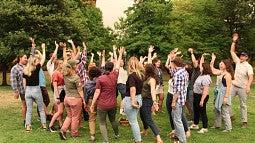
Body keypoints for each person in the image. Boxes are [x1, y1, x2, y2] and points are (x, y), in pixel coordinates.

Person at [90, 47, 124, 143]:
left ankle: (106, 141)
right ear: (112, 68)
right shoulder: (115, 75)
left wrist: (92, 104)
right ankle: (117, 134)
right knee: (113, 120)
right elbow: (117, 65)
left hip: (102, 104)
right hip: (113, 104)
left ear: (105, 68)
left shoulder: (100, 78)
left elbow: (97, 92)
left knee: (101, 122)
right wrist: (120, 53)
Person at [229, 33, 254, 128]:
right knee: (227, 101)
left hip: (243, 88)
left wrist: (248, 86)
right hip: (234, 86)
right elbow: (232, 51)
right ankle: (231, 116)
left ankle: (244, 122)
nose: (241, 57)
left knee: (243, 105)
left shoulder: (248, 66)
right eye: (241, 55)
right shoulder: (238, 62)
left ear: (247, 58)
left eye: (243, 56)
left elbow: (251, 76)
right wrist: (234, 41)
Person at [139, 46, 163, 143]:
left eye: (145, 68)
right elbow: (148, 63)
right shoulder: (145, 76)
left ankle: (158, 137)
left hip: (147, 101)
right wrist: (149, 53)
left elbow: (153, 91)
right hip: (142, 99)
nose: (143, 68)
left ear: (147, 70)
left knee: (148, 119)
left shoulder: (152, 80)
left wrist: (154, 102)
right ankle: (145, 130)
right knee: (142, 116)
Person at [59, 59, 86, 140]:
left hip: (67, 99)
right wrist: (84, 100)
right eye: (76, 65)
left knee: (69, 115)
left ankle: (63, 130)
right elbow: (80, 90)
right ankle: (74, 133)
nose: (77, 66)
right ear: (73, 66)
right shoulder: (76, 77)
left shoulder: (64, 74)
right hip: (75, 99)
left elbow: (65, 65)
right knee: (75, 117)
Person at [23, 43, 46, 131]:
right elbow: (43, 58)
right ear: (34, 62)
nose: (38, 62)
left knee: (29, 110)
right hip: (36, 89)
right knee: (41, 108)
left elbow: (24, 83)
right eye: (36, 61)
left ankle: (28, 126)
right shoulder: (37, 68)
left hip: (28, 90)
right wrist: (41, 50)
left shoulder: (25, 70)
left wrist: (25, 92)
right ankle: (44, 125)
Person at [210, 53, 234, 132]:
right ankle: (217, 125)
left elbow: (228, 87)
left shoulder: (228, 75)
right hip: (219, 93)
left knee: (224, 111)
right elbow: (213, 71)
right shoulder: (221, 72)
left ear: (226, 65)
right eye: (220, 64)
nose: (220, 65)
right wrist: (213, 60)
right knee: (216, 109)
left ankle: (228, 128)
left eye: (222, 64)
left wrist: (226, 98)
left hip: (224, 94)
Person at [189, 54, 212, 134]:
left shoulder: (206, 77)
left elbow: (205, 91)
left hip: (201, 96)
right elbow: (201, 62)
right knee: (196, 110)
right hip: (196, 95)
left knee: (202, 112)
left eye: (201, 67)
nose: (200, 67)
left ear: (204, 68)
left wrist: (202, 100)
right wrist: (202, 56)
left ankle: (205, 128)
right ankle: (195, 124)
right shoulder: (201, 75)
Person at [124, 56, 144, 143]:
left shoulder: (132, 76)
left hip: (132, 98)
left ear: (130, 65)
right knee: (134, 120)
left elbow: (133, 89)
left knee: (133, 122)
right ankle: (138, 139)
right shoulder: (140, 75)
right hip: (139, 98)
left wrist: (132, 102)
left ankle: (138, 140)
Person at [170, 56, 189, 143]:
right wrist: (171, 58)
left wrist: (173, 102)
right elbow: (172, 70)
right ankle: (177, 134)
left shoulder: (177, 75)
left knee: (177, 120)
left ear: (174, 64)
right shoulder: (184, 71)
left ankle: (182, 140)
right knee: (174, 116)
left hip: (178, 100)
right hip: (183, 99)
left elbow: (177, 90)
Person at [84, 66, 102, 141]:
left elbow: (86, 95)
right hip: (101, 100)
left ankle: (92, 136)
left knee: (91, 118)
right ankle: (104, 131)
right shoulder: (101, 82)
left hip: (91, 101)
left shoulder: (87, 84)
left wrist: (85, 103)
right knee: (102, 118)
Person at [10, 53, 28, 126]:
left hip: (31, 89)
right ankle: (25, 120)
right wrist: (15, 91)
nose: (26, 59)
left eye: (26, 58)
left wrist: (33, 46)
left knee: (40, 102)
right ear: (20, 58)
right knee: (25, 105)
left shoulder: (28, 66)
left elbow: (32, 56)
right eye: (25, 58)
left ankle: (45, 115)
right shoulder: (15, 68)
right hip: (23, 90)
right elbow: (13, 80)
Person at [48, 59, 65, 132]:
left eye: (62, 63)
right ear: (57, 64)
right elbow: (55, 86)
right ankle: (50, 125)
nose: (62, 64)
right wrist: (57, 96)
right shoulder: (55, 73)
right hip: (58, 91)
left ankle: (61, 125)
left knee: (61, 111)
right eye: (60, 63)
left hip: (63, 91)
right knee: (59, 111)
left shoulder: (62, 72)